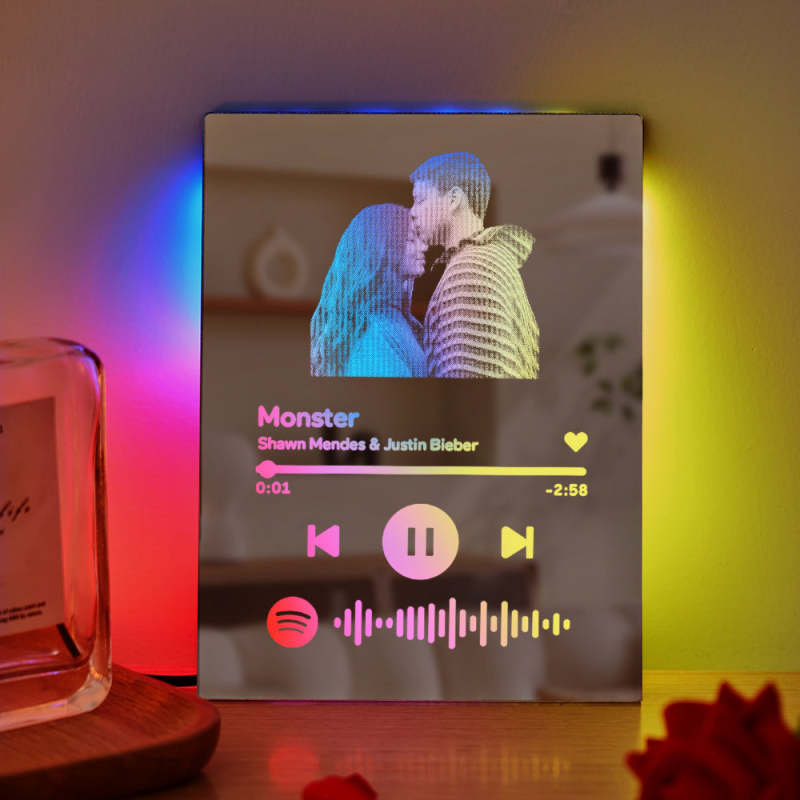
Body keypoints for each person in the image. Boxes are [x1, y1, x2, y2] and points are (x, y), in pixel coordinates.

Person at [409, 152, 540, 379]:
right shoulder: (485, 258)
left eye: (420, 200)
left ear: (453, 199)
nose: (412, 212)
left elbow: (473, 382)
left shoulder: (470, 271)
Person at [310, 203, 426, 377]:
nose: (423, 247)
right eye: (411, 240)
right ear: (383, 249)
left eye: (419, 238)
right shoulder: (374, 331)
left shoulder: (394, 320)